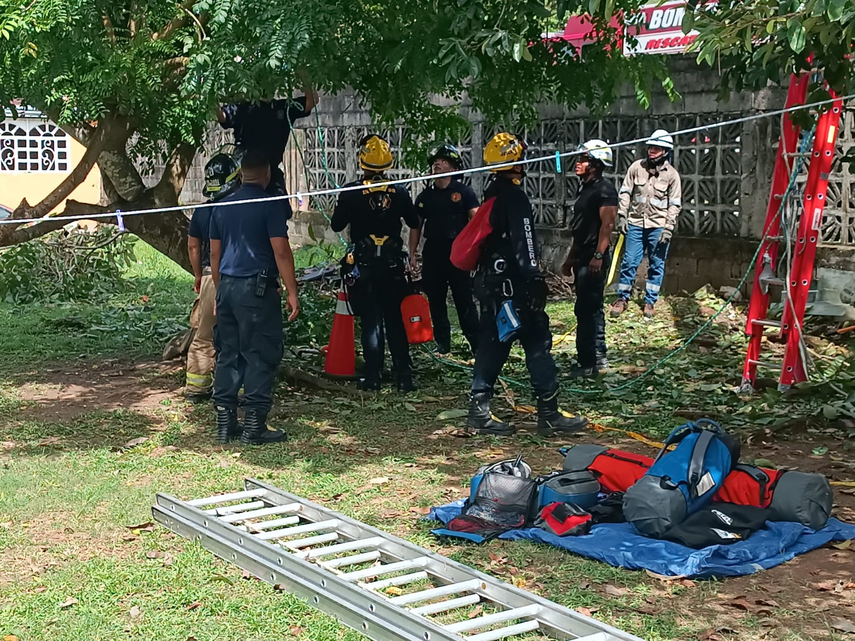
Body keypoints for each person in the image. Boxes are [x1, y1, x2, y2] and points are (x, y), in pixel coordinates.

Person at [467, 132, 588, 437]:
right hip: (512, 286)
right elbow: (525, 241)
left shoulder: (491, 193)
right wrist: (534, 277)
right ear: (517, 163)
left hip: (492, 282)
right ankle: (545, 413)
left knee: (501, 343)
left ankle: (483, 410)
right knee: (529, 344)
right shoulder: (514, 197)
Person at [209, 149, 300, 445]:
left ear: (240, 173)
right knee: (259, 353)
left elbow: (214, 254)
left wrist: (219, 291)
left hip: (227, 287)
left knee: (228, 354)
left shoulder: (220, 205)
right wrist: (292, 291)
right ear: (267, 174)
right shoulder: (269, 204)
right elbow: (281, 250)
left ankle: (225, 423)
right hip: (256, 289)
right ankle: (254, 426)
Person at [331, 134, 419, 392]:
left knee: (371, 320)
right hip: (392, 267)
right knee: (394, 320)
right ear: (389, 163)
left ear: (362, 162)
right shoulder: (400, 192)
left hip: (364, 266)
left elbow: (336, 224)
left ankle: (373, 377)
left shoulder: (351, 191)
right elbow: (414, 222)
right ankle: (404, 376)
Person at [408, 144, 480, 355]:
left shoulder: (464, 192)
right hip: (433, 252)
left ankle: (476, 344)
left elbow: (476, 220)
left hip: (458, 252)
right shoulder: (425, 197)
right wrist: (412, 254)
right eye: (435, 162)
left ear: (453, 167)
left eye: (443, 161)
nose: (437, 164)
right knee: (436, 300)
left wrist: (476, 250)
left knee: (463, 299)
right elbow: (416, 226)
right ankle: (443, 343)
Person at [217, 74, 318, 217]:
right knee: (246, 214)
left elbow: (311, 102)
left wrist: (304, 77)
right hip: (246, 173)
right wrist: (210, 97)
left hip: (271, 172)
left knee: (280, 213)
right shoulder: (243, 108)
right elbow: (222, 116)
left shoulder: (282, 107)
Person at [185, 149, 241, 403]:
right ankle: (238, 388)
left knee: (204, 335)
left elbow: (193, 247)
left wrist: (199, 275)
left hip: (209, 277)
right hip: (240, 278)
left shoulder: (203, 211)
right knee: (239, 334)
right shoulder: (243, 208)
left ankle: (197, 389)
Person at [561, 139, 618, 379]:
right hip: (583, 255)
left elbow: (608, 225)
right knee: (588, 308)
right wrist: (571, 257)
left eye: (583, 160)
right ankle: (595, 356)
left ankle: (589, 362)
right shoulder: (585, 188)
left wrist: (598, 255)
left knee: (588, 310)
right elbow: (580, 227)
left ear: (594, 164)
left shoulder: (605, 190)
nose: (578, 163)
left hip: (594, 257)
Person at [610, 129, 682, 319]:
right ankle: (622, 299)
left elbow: (675, 204)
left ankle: (650, 301)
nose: (652, 150)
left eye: (657, 148)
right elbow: (625, 191)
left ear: (665, 151)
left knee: (656, 264)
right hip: (635, 223)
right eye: (650, 146)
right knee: (629, 262)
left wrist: (668, 228)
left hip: (658, 226)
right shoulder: (636, 167)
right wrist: (622, 215)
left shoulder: (672, 175)